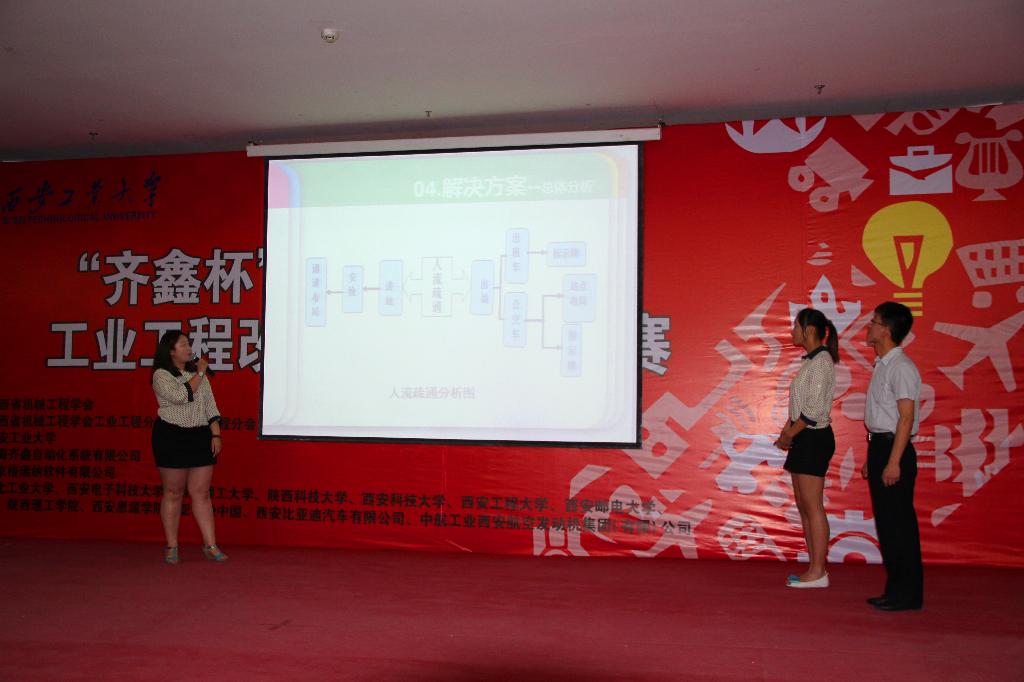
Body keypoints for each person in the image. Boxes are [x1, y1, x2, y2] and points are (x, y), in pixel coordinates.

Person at [861, 302, 923, 611]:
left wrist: (894, 460)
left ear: (886, 330)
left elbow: (905, 418)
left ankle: (908, 594)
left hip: (893, 449)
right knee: (887, 524)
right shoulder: (883, 365)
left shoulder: (901, 367)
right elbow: (882, 417)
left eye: (874, 322)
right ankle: (895, 589)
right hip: (881, 447)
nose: (869, 326)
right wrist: (873, 456)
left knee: (899, 524)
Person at [150, 330, 228, 564]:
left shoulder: (198, 376)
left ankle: (210, 544)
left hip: (199, 436)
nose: (189, 349)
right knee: (173, 492)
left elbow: (211, 407)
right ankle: (172, 545)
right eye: (183, 345)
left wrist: (216, 434)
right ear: (171, 351)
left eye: (188, 344)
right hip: (171, 436)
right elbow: (182, 396)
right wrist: (201, 372)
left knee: (201, 493)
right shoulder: (161, 375)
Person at [775, 308, 838, 588]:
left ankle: (818, 571)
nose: (792, 332)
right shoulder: (811, 362)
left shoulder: (822, 362)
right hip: (803, 437)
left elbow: (812, 412)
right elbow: (800, 407)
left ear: (809, 330)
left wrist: (789, 434)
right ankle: (814, 568)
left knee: (813, 506)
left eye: (795, 327)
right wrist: (786, 432)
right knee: (804, 505)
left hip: (813, 438)